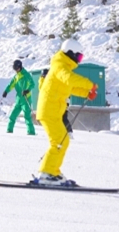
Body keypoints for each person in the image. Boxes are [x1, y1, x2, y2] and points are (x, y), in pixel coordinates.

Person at [34, 39, 97, 186]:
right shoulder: (59, 66)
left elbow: (70, 87)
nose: (79, 61)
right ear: (71, 53)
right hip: (49, 111)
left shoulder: (62, 66)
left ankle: (53, 172)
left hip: (53, 111)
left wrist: (86, 93)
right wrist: (89, 84)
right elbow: (69, 79)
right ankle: (46, 173)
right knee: (58, 141)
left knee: (63, 141)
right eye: (79, 57)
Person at [2, 59, 35, 135]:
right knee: (12, 115)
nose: (15, 70)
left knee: (27, 116)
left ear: (19, 67)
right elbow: (11, 85)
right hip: (19, 99)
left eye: (16, 68)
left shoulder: (26, 75)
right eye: (14, 69)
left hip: (26, 99)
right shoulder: (16, 77)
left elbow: (32, 84)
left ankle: (31, 132)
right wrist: (6, 91)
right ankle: (9, 130)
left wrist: (27, 90)